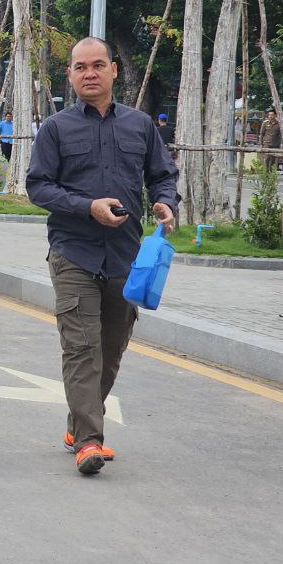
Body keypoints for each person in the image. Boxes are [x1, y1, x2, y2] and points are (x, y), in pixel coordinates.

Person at [26, 37, 178, 476]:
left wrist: (165, 201)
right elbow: (38, 186)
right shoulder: (55, 128)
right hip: (73, 252)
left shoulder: (140, 125)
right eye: (80, 67)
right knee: (81, 349)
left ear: (113, 70)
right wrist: (86, 207)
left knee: (110, 352)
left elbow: (163, 174)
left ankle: (77, 423)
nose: (89, 73)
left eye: (97, 65)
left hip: (126, 258)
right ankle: (89, 441)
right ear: (70, 75)